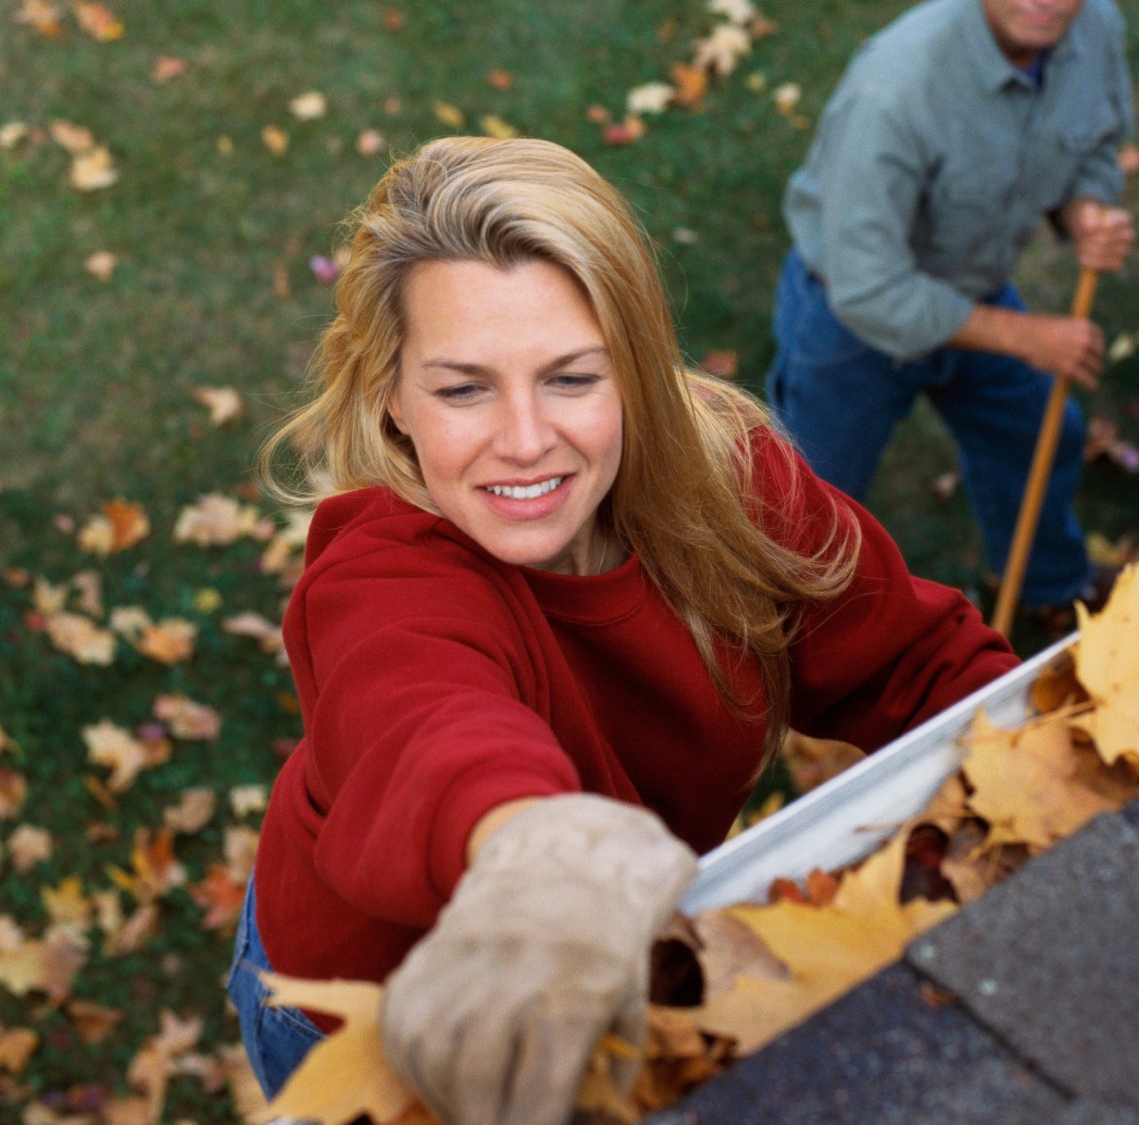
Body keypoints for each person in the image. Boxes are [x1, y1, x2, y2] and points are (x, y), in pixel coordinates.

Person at [230, 136, 1020, 1125]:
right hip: (373, 1015)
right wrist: (547, 857)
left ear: (637, 372)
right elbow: (426, 725)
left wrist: (1035, 784)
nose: (524, 439)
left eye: (570, 377)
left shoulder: (730, 485)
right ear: (391, 396)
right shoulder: (381, 573)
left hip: (609, 967)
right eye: (462, 387)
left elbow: (917, 660)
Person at [766, 0, 1136, 614]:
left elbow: (1097, 140)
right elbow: (869, 287)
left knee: (1041, 436)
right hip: (849, 321)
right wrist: (1023, 338)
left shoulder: (1094, 27)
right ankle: (779, 634)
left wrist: (1085, 207)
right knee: (806, 505)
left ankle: (1051, 589)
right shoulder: (895, 87)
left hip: (973, 286)